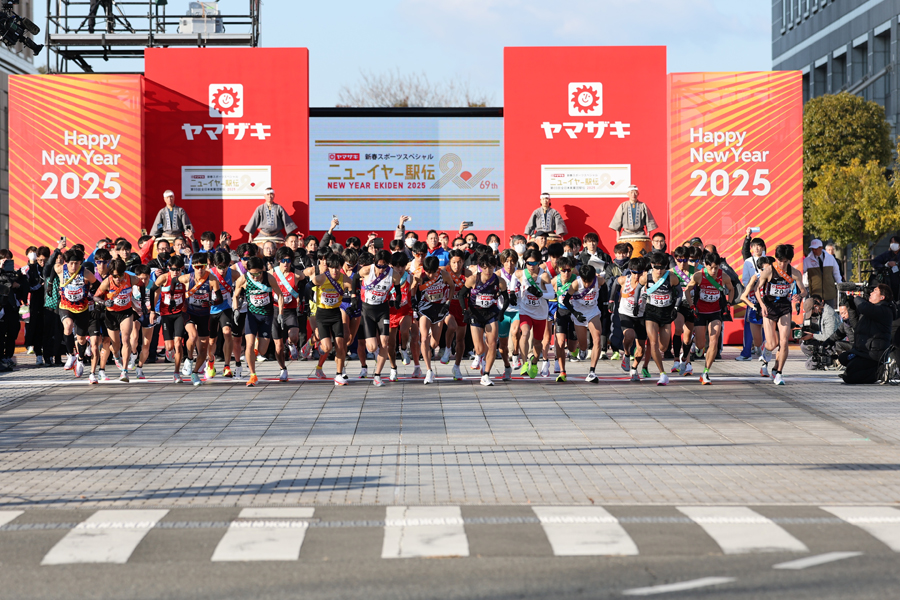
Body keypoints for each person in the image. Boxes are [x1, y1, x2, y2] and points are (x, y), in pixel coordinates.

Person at [756, 244, 807, 385]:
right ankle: (766, 349)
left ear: (790, 260)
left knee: (784, 341)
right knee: (772, 344)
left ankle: (778, 372)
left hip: (784, 307)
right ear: (776, 259)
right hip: (769, 306)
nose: (783, 264)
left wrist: (799, 295)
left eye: (786, 261)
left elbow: (804, 290)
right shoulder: (768, 271)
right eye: (780, 261)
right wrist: (762, 305)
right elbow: (756, 290)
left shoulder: (795, 273)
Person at [354, 249, 406, 387]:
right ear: (374, 262)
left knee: (385, 341)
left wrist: (397, 301)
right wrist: (354, 296)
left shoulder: (393, 274)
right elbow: (354, 278)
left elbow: (398, 292)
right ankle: (375, 352)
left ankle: (377, 376)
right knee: (371, 348)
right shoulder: (366, 270)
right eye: (379, 266)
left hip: (382, 310)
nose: (382, 269)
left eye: (385, 266)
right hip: (367, 310)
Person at [232, 256, 285, 387]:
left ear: (263, 269)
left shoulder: (269, 278)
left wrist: (281, 314)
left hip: (266, 317)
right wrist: (236, 310)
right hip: (252, 316)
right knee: (248, 344)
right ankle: (252, 375)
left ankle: (255, 351)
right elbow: (235, 295)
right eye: (252, 274)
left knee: (262, 351)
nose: (255, 277)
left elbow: (280, 295)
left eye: (258, 274)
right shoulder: (243, 279)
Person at [458, 253, 510, 386]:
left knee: (492, 343)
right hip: (476, 313)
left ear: (494, 267)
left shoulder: (499, 281)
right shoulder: (473, 279)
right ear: (480, 267)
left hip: (491, 313)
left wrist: (502, 312)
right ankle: (481, 356)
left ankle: (486, 374)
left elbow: (506, 298)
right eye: (485, 268)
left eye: (491, 268)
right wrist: (465, 311)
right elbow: (461, 294)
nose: (488, 271)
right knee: (480, 349)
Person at [684, 252, 734, 385]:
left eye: (716, 268)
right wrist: (691, 305)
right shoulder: (698, 275)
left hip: (715, 311)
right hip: (700, 312)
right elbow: (687, 290)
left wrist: (728, 303)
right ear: (705, 265)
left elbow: (731, 289)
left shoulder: (723, 276)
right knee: (701, 344)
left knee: (714, 338)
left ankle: (705, 372)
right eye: (711, 267)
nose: (713, 270)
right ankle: (695, 343)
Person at [92, 258, 143, 383]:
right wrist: (104, 302)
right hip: (111, 314)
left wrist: (139, 300)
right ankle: (116, 356)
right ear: (111, 275)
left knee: (126, 340)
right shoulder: (107, 282)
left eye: (120, 275)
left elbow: (142, 284)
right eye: (115, 276)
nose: (118, 278)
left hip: (126, 312)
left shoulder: (131, 278)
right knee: (115, 345)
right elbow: (95, 297)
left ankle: (124, 371)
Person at [307, 252, 352, 386]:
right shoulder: (321, 278)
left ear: (340, 267)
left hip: (336, 314)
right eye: (332, 268)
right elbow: (308, 286)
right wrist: (306, 302)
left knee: (340, 345)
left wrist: (351, 303)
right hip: (322, 314)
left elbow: (352, 293)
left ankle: (339, 375)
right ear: (328, 267)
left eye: (337, 267)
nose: (335, 271)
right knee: (327, 347)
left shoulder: (345, 280)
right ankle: (310, 344)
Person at [411, 256, 456, 384]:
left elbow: (452, 286)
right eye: (428, 272)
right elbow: (413, 288)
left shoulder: (444, 275)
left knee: (434, 343)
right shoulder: (420, 275)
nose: (430, 275)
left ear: (437, 269)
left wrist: (448, 302)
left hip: (440, 308)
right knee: (424, 338)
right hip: (425, 308)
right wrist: (413, 300)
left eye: (432, 272)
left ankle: (430, 340)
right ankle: (429, 370)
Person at [55, 247, 99, 378]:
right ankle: (71, 355)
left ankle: (80, 359)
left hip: (82, 308)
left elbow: (97, 285)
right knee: (67, 326)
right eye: (71, 263)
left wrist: (92, 295)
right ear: (66, 262)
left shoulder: (85, 273)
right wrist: (51, 283)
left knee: (81, 339)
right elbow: (51, 269)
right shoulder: (60, 269)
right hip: (65, 306)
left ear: (81, 262)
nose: (74, 266)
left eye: (77, 263)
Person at [640, 251, 682, 386]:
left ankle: (657, 350)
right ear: (652, 265)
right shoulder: (646, 277)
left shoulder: (672, 277)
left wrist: (676, 307)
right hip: (651, 312)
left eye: (662, 267)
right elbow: (637, 289)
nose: (659, 270)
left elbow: (680, 293)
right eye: (656, 267)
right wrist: (637, 303)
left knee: (663, 347)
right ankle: (662, 374)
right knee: (653, 343)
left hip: (666, 313)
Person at [840, 284, 895, 383]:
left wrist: (857, 298)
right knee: (843, 358)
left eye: (875, 291)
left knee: (849, 377)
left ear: (882, 297)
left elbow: (864, 308)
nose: (871, 293)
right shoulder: (872, 309)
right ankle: (864, 370)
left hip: (874, 353)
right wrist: (851, 306)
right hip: (864, 351)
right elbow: (856, 325)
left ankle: (879, 372)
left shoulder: (884, 310)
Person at [513, 248, 555, 379]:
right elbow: (512, 284)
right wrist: (511, 294)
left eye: (534, 263)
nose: (531, 266)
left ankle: (535, 363)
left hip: (540, 313)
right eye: (528, 263)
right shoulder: (520, 273)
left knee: (538, 343)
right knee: (524, 333)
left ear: (539, 262)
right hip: (525, 311)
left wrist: (540, 293)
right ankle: (524, 362)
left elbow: (552, 294)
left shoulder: (544, 275)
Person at [736, 237, 767, 361]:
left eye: (759, 246)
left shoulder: (768, 261)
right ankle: (746, 353)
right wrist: (753, 286)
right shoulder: (748, 261)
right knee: (749, 325)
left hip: (765, 298)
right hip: (752, 298)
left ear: (763, 247)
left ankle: (764, 352)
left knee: (766, 325)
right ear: (751, 248)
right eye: (754, 246)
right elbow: (744, 280)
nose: (757, 248)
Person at [798, 295, 839, 369]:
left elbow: (829, 336)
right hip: (823, 342)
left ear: (816, 306)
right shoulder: (820, 312)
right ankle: (819, 360)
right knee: (804, 345)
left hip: (832, 344)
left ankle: (826, 360)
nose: (812, 314)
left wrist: (812, 336)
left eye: (812, 312)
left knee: (809, 366)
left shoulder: (829, 314)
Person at [803, 239, 842, 308]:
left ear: (821, 248)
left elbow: (836, 273)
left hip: (829, 292)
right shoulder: (807, 260)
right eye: (812, 249)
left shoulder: (830, 258)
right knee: (815, 314)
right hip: (815, 293)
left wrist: (840, 285)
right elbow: (800, 272)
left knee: (830, 313)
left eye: (816, 249)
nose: (814, 250)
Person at [871, 235, 900, 301]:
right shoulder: (887, 254)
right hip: (889, 281)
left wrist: (897, 264)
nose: (893, 244)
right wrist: (884, 266)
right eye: (891, 242)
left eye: (895, 242)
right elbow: (874, 262)